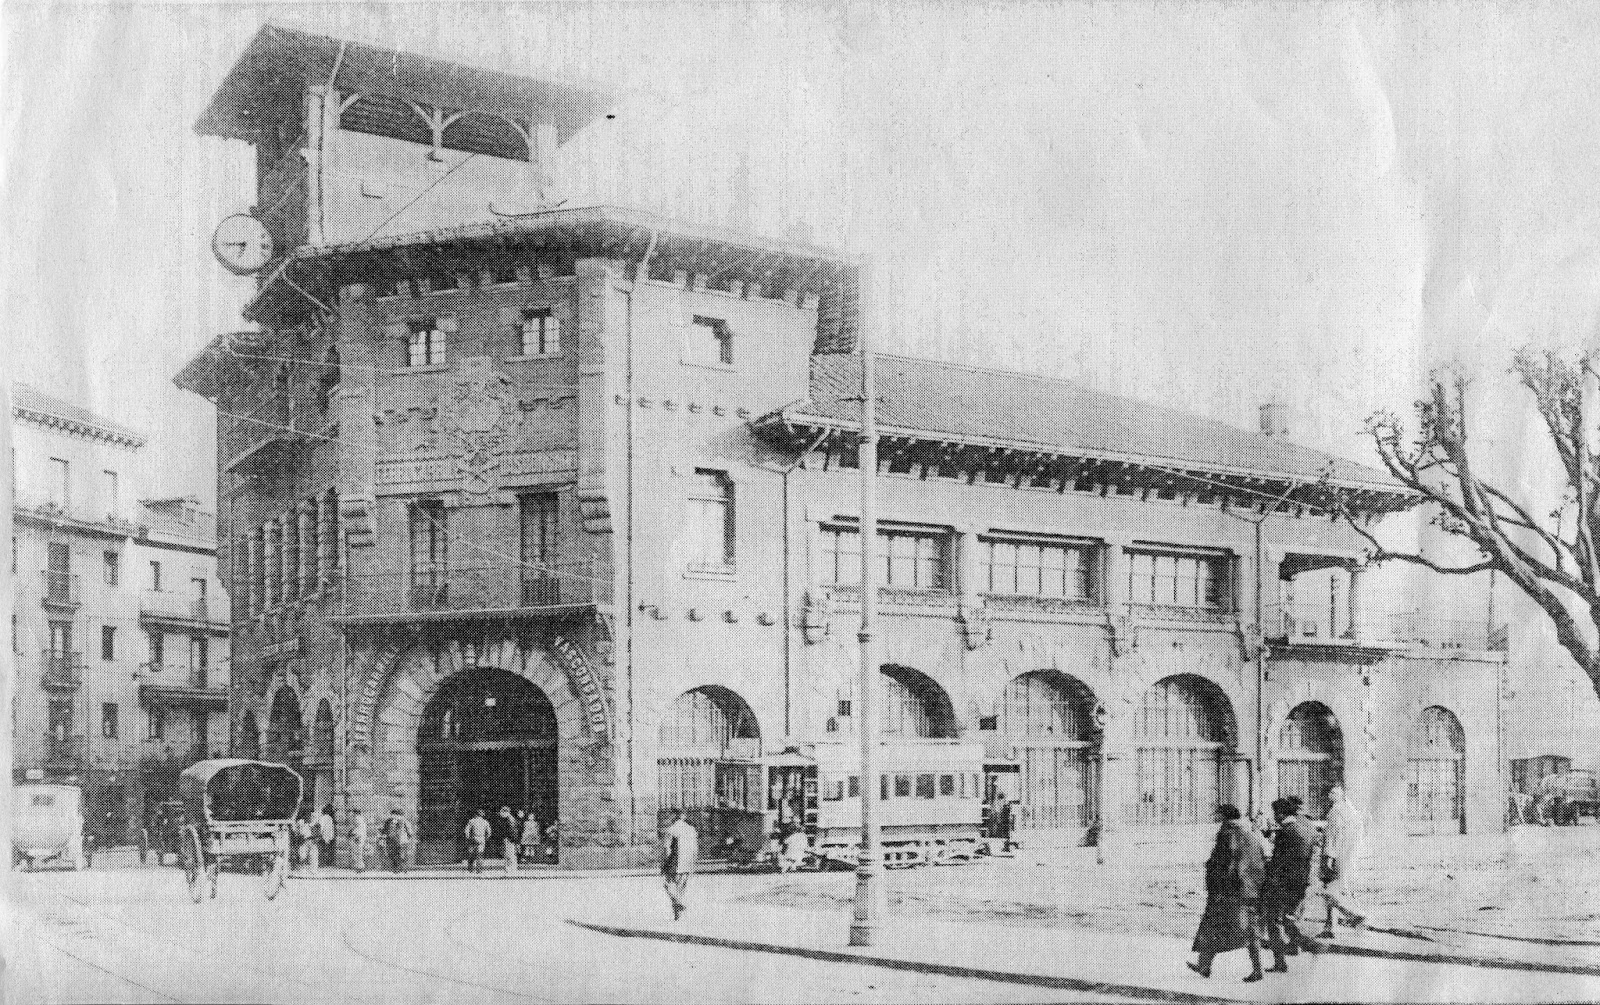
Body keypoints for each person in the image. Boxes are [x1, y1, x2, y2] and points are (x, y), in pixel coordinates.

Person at [1188, 804, 1265, 982]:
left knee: (1213, 926)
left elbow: (1228, 863)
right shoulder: (1251, 833)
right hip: (1251, 889)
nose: (1216, 817)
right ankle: (1205, 965)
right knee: (1249, 929)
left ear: (1224, 816)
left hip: (1229, 891)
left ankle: (1205, 965)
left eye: (1218, 815)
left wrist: (1219, 888)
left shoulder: (1227, 833)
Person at [1261, 796, 1321, 973]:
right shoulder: (1306, 827)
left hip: (1283, 884)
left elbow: (1278, 863)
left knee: (1273, 922)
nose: (1274, 817)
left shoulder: (1285, 832)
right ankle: (1302, 945)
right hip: (1301, 881)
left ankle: (1283, 961)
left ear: (1280, 814)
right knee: (1288, 918)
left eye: (1275, 814)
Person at [1320, 785, 1368, 935]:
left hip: (1336, 857)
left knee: (1332, 891)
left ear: (1341, 795)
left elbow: (1332, 836)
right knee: (1337, 889)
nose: (1331, 794)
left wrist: (1329, 857)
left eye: (1334, 792)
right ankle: (1330, 927)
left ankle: (1356, 915)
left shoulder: (1336, 811)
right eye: (1330, 792)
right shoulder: (1352, 812)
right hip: (1347, 857)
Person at [661, 810, 698, 921]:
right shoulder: (692, 830)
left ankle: (678, 903)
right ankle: (677, 915)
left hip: (675, 862)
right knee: (680, 888)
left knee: (667, 884)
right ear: (683, 816)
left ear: (673, 816)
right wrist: (693, 863)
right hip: (688, 862)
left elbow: (667, 848)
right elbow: (695, 849)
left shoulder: (671, 830)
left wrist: (664, 863)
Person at [381, 807, 412, 873]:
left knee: (399, 855)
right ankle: (399, 868)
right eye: (393, 815)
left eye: (394, 814)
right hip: (394, 840)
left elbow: (409, 830)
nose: (394, 816)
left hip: (399, 841)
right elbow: (385, 829)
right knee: (395, 855)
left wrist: (408, 836)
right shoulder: (389, 821)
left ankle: (401, 868)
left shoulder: (403, 821)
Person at [464, 809, 491, 874]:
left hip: (473, 839)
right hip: (481, 839)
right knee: (480, 855)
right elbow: (489, 833)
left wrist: (468, 838)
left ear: (475, 814)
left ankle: (470, 869)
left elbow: (466, 831)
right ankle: (479, 870)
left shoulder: (471, 821)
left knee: (471, 854)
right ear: (482, 815)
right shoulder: (485, 822)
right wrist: (485, 838)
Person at [497, 807, 520, 875]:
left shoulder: (510, 820)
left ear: (505, 812)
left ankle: (510, 870)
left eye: (501, 812)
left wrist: (511, 839)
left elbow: (512, 831)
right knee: (510, 855)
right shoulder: (509, 819)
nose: (500, 814)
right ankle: (510, 869)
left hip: (509, 839)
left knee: (509, 855)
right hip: (510, 839)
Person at [315, 804, 337, 871]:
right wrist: (331, 836)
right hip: (329, 836)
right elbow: (331, 828)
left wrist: (319, 834)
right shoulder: (330, 818)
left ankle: (322, 863)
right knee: (327, 850)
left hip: (323, 836)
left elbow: (321, 827)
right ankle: (328, 863)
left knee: (322, 850)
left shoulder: (323, 818)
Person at [348, 807, 368, 873]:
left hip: (357, 837)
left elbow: (357, 829)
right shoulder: (361, 819)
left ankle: (360, 867)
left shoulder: (357, 818)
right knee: (359, 853)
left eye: (353, 812)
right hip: (360, 837)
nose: (352, 814)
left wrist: (352, 834)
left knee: (357, 853)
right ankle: (360, 867)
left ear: (355, 813)